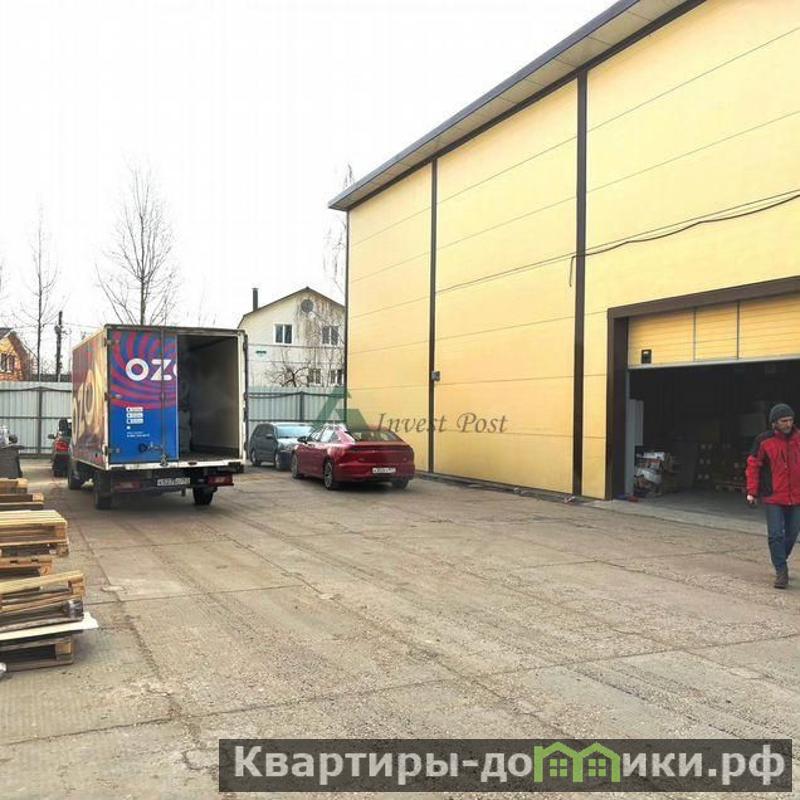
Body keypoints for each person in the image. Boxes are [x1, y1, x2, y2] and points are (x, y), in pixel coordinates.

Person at [746, 403, 800, 589]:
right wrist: (752, 492)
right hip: (773, 496)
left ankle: (780, 559)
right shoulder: (763, 441)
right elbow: (753, 465)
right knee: (776, 534)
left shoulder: (798, 439)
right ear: (774, 423)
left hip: (796, 496)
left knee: (792, 534)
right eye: (783, 421)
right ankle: (781, 571)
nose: (788, 424)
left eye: (790, 420)